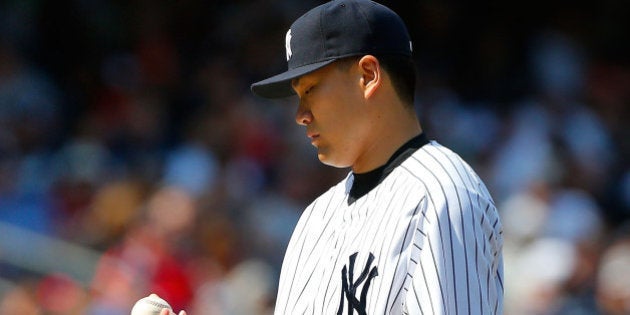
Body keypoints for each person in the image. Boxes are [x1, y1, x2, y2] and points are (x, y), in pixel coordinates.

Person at [162, 0, 503, 314]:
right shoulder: (316, 217)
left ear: (368, 76)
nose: (300, 114)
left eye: (310, 89)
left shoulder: (440, 196)